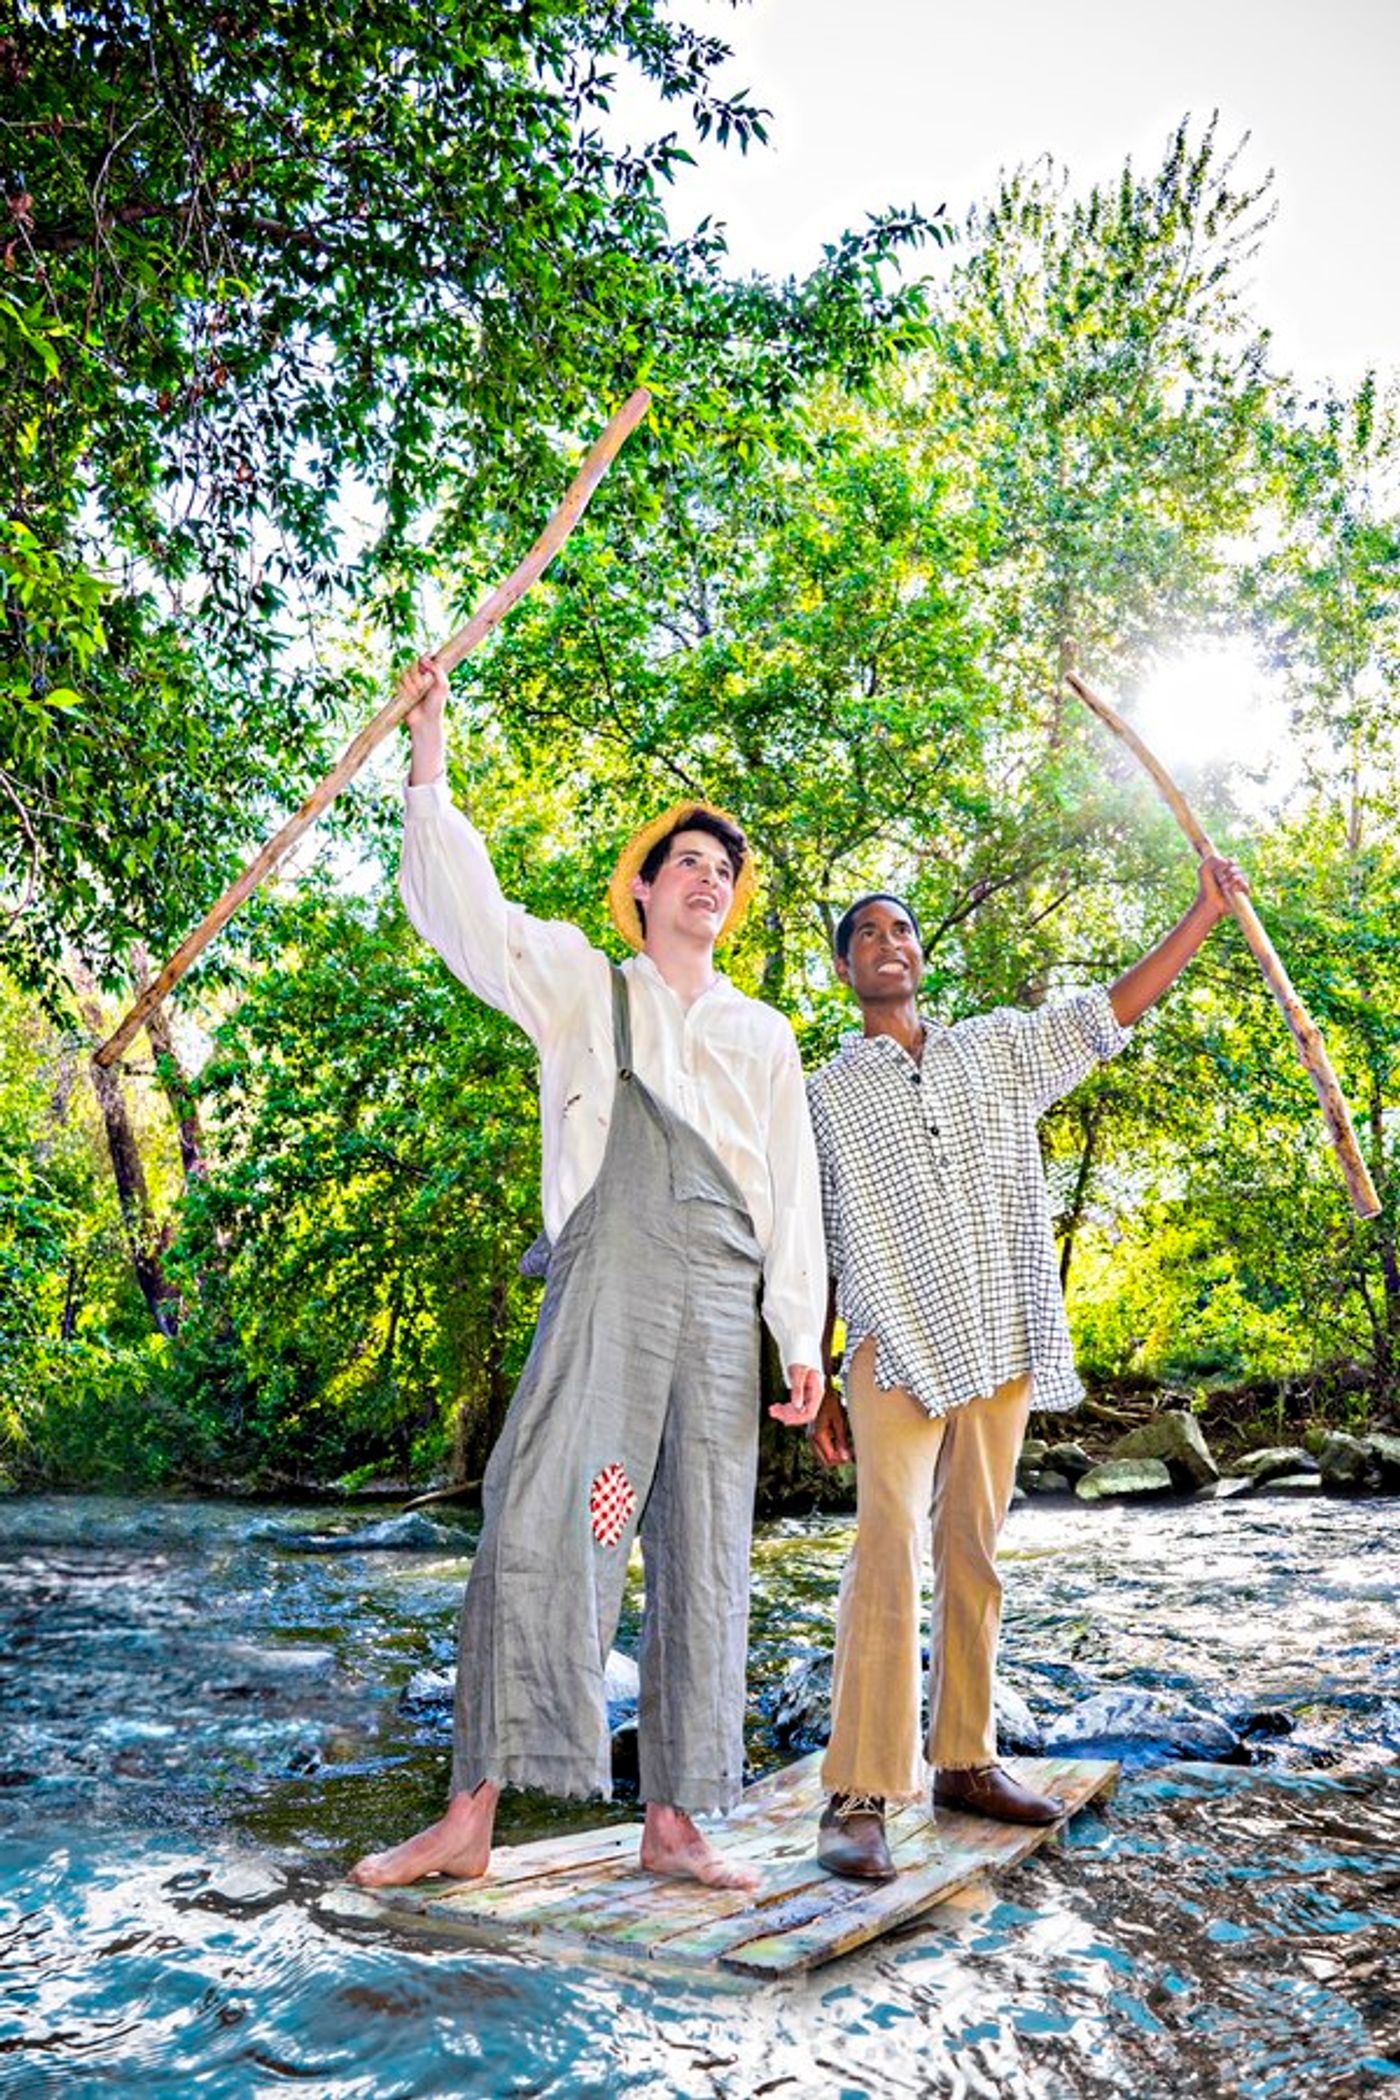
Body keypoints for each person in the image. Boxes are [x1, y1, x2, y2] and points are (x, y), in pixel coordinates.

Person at [350, 658, 825, 1894]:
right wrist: (429, 747)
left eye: (723, 871)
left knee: (702, 1544)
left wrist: (800, 1340)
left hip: (724, 1304)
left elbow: (789, 1190)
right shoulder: (579, 985)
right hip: (605, 1282)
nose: (706, 880)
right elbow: (469, 915)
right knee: (552, 1512)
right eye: (686, 864)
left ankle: (675, 1824)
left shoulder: (762, 1034)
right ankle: (472, 1818)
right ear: (641, 889)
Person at [807, 858, 1249, 1882]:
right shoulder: (822, 1096)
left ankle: (962, 1758)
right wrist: (817, 1363)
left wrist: (1198, 913)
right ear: (843, 971)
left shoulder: (994, 1051)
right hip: (887, 1341)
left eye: (899, 929)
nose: (886, 941)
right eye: (864, 933)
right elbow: (812, 1236)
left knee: (974, 1546)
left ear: (919, 957)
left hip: (993, 1331)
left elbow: (1108, 1013)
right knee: (885, 1548)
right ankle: (859, 1790)